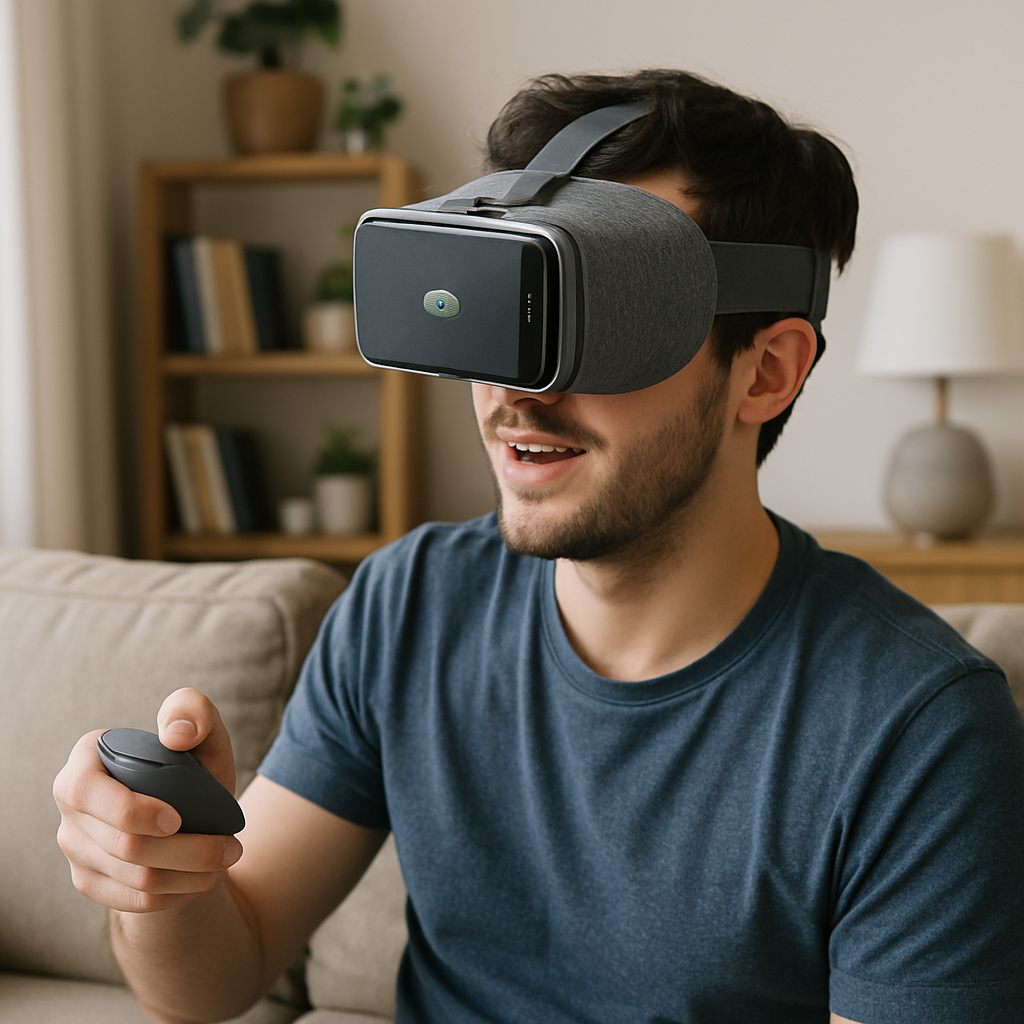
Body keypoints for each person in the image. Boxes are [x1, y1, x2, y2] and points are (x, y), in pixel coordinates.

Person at [54, 70, 1024, 1024]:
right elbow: (214, 975)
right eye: (515, 298)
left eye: (596, 318)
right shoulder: (410, 604)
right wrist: (160, 884)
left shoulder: (918, 732)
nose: (514, 392)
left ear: (764, 372)